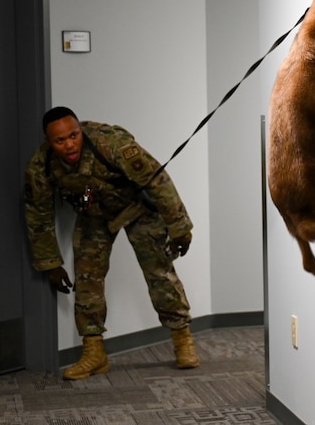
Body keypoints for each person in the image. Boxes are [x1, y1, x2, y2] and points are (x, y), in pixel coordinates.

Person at [23, 106, 199, 380]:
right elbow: (38, 214)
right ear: (49, 142)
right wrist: (50, 264)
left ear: (80, 130)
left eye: (74, 135)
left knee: (159, 272)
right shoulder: (41, 165)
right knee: (87, 279)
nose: (69, 144)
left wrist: (180, 228)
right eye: (60, 140)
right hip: (94, 216)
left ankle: (182, 340)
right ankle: (94, 353)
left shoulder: (110, 143)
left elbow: (158, 182)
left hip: (137, 209)